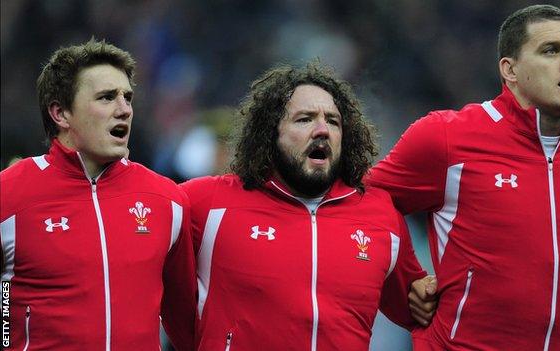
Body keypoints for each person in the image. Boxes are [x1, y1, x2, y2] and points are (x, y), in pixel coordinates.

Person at [368, 4, 560, 350]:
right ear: (510, 69)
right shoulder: (446, 136)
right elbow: (365, 200)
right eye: (551, 50)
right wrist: (406, 280)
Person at [181, 62, 435, 350]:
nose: (322, 130)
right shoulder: (207, 203)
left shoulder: (381, 215)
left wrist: (432, 292)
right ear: (270, 132)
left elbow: (421, 312)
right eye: (305, 119)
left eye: (333, 121)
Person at [0, 39, 196, 350]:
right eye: (107, 98)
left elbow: (187, 323)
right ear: (61, 113)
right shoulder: (7, 195)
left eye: (127, 97)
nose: (124, 109)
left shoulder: (167, 199)